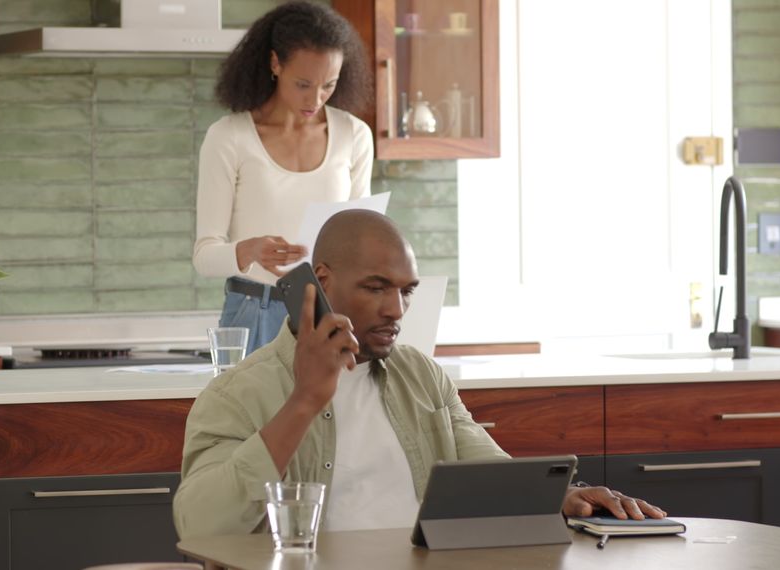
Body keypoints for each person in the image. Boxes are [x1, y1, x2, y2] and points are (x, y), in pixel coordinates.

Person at [174, 210, 666, 539]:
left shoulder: (421, 376)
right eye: (376, 287)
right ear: (320, 282)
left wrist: (563, 495)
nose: (396, 310)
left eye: (406, 291)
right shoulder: (237, 394)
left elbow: (490, 471)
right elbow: (199, 525)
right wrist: (305, 401)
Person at [193, 1, 374, 354]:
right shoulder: (229, 137)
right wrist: (249, 250)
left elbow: (363, 239)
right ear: (275, 63)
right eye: (304, 84)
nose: (316, 99)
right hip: (254, 312)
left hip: (330, 316)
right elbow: (204, 255)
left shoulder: (354, 135)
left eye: (329, 85)